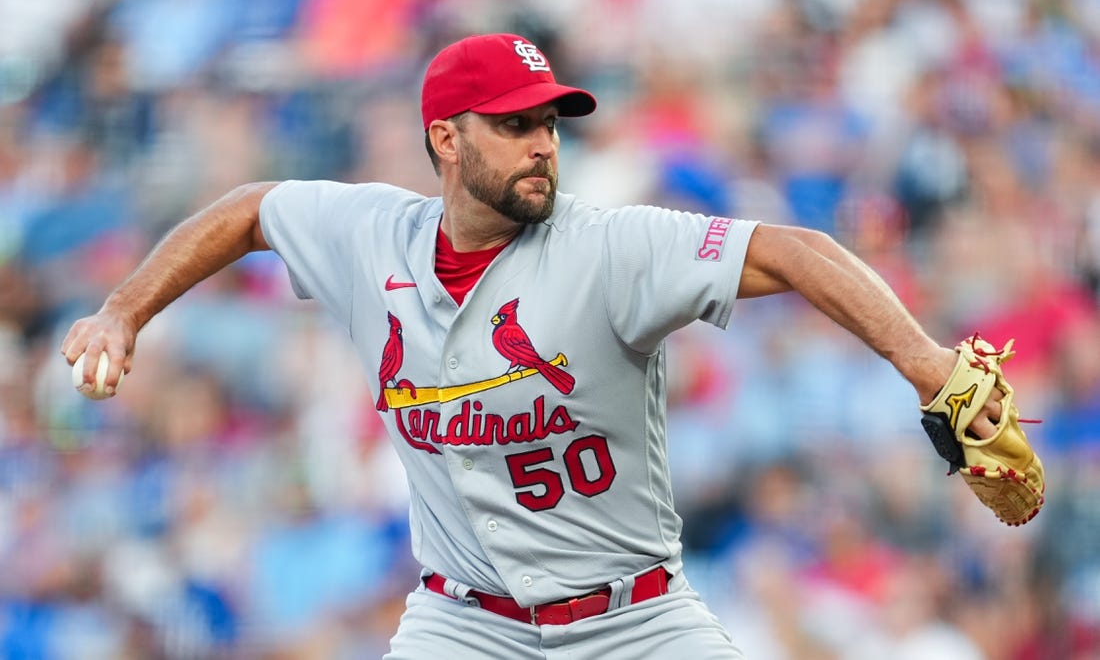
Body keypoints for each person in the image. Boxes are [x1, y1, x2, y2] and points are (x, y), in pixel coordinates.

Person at [62, 33, 1004, 659]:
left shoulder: (610, 247)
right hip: (463, 623)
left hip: (635, 618)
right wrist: (123, 309)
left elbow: (796, 250)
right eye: (513, 125)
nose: (542, 143)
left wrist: (926, 363)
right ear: (446, 140)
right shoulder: (368, 237)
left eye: (548, 122)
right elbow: (249, 211)